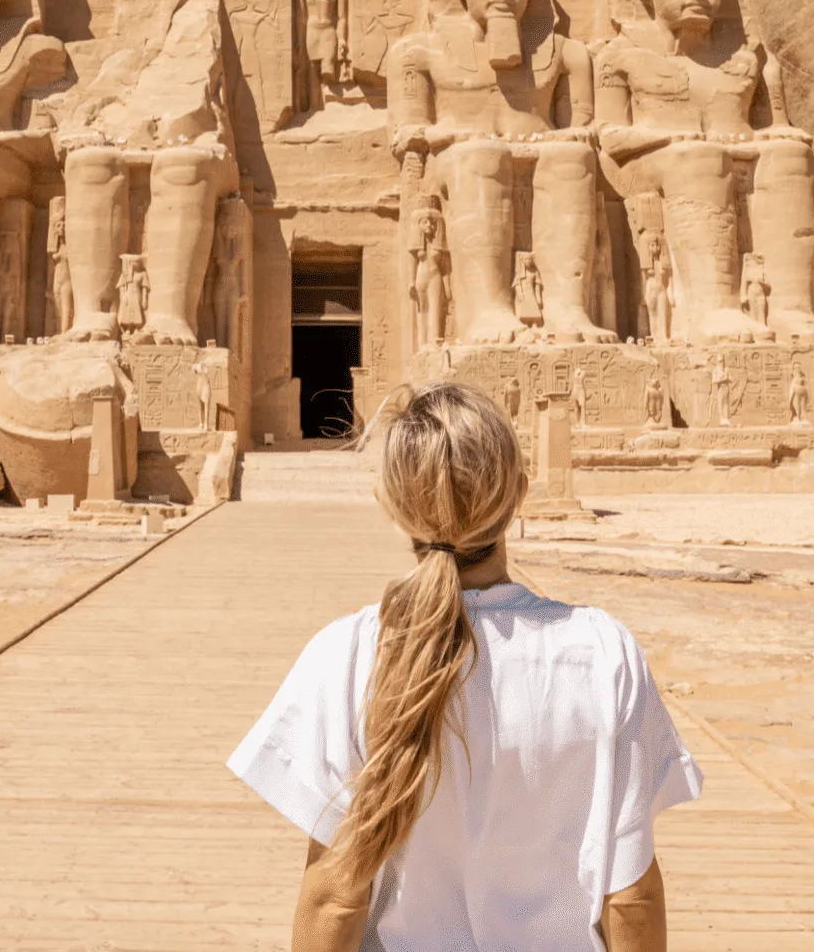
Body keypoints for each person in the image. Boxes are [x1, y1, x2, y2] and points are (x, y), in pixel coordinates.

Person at [229, 382, 700, 951]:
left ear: (388, 502)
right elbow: (631, 897)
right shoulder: (602, 652)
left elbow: (336, 899)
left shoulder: (351, 654)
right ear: (520, 493)